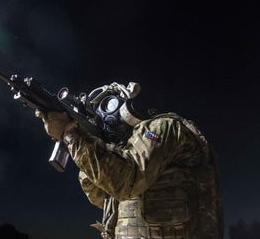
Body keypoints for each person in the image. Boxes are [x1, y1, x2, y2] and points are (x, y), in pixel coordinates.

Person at [36, 82, 224, 239]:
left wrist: (72, 135)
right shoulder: (122, 152)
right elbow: (100, 197)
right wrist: (89, 144)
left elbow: (127, 182)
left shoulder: (163, 127)